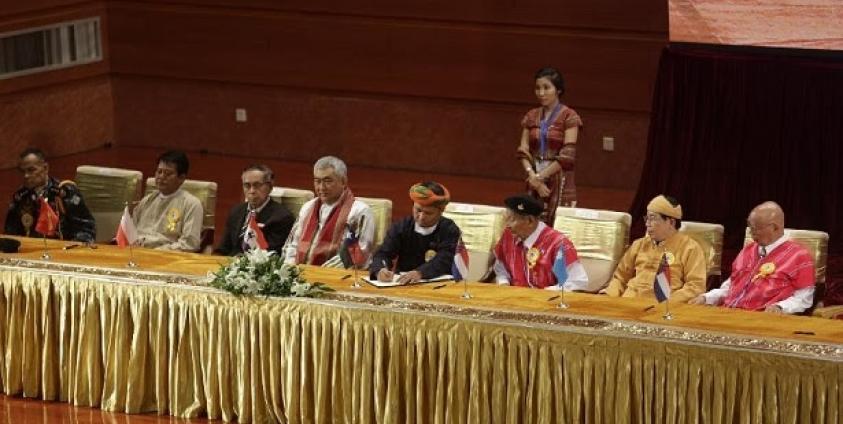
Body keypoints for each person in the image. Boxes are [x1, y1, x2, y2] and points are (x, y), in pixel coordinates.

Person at [689, 202, 815, 314]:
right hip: (727, 313)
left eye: (755, 229)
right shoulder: (748, 250)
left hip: (762, 319)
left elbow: (804, 298)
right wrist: (707, 297)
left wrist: (780, 307)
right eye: (750, 228)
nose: (751, 233)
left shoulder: (799, 255)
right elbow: (730, 286)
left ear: (774, 227)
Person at [602, 195, 706, 302]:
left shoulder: (690, 248)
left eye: (653, 219)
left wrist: (668, 304)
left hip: (661, 308)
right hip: (628, 302)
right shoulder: (639, 244)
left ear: (671, 222)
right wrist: (609, 295)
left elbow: (695, 286)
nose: (647, 224)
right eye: (647, 219)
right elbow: (620, 278)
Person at [517, 67, 583, 226]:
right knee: (530, 223)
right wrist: (532, 176)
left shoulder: (570, 116)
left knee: (557, 226)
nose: (541, 93)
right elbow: (523, 151)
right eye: (538, 88)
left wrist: (540, 177)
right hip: (533, 178)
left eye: (546, 88)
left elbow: (568, 155)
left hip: (559, 178)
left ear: (558, 90)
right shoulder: (531, 116)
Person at [283, 156, 374, 267]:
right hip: (301, 273)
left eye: (327, 181)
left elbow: (360, 254)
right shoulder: (308, 207)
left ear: (343, 182)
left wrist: (323, 272)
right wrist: (290, 269)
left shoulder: (359, 211)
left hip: (336, 275)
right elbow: (293, 244)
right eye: (317, 181)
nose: (321, 187)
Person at [369, 182, 461, 285]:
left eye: (428, 213)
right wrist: (380, 269)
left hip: (438, 285)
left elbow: (444, 260)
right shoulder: (401, 226)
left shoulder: (449, 230)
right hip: (403, 284)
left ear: (441, 211)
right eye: (418, 210)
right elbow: (383, 253)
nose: (421, 217)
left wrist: (420, 273)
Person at [493, 194, 589, 290]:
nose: (508, 225)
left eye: (512, 219)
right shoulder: (508, 236)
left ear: (530, 221)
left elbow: (577, 282)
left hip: (546, 301)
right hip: (513, 299)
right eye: (507, 219)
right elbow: (501, 269)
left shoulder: (558, 244)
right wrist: (504, 284)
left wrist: (543, 294)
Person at [5, 147, 95, 242]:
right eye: (23, 171)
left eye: (31, 170)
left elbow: (86, 229)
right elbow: (11, 233)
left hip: (62, 250)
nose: (26, 176)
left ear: (45, 168)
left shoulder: (64, 192)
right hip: (30, 252)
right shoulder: (21, 197)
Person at [215, 164, 294, 256]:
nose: (252, 191)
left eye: (257, 185)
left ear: (270, 187)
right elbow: (224, 248)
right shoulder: (236, 211)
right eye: (247, 185)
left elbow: (270, 256)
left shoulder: (282, 217)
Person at [132, 150, 203, 252]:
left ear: (181, 178)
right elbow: (132, 231)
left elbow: (189, 244)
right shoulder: (148, 200)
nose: (161, 177)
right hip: (137, 254)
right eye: (159, 171)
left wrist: (156, 252)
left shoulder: (191, 204)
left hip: (166, 258)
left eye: (168, 173)